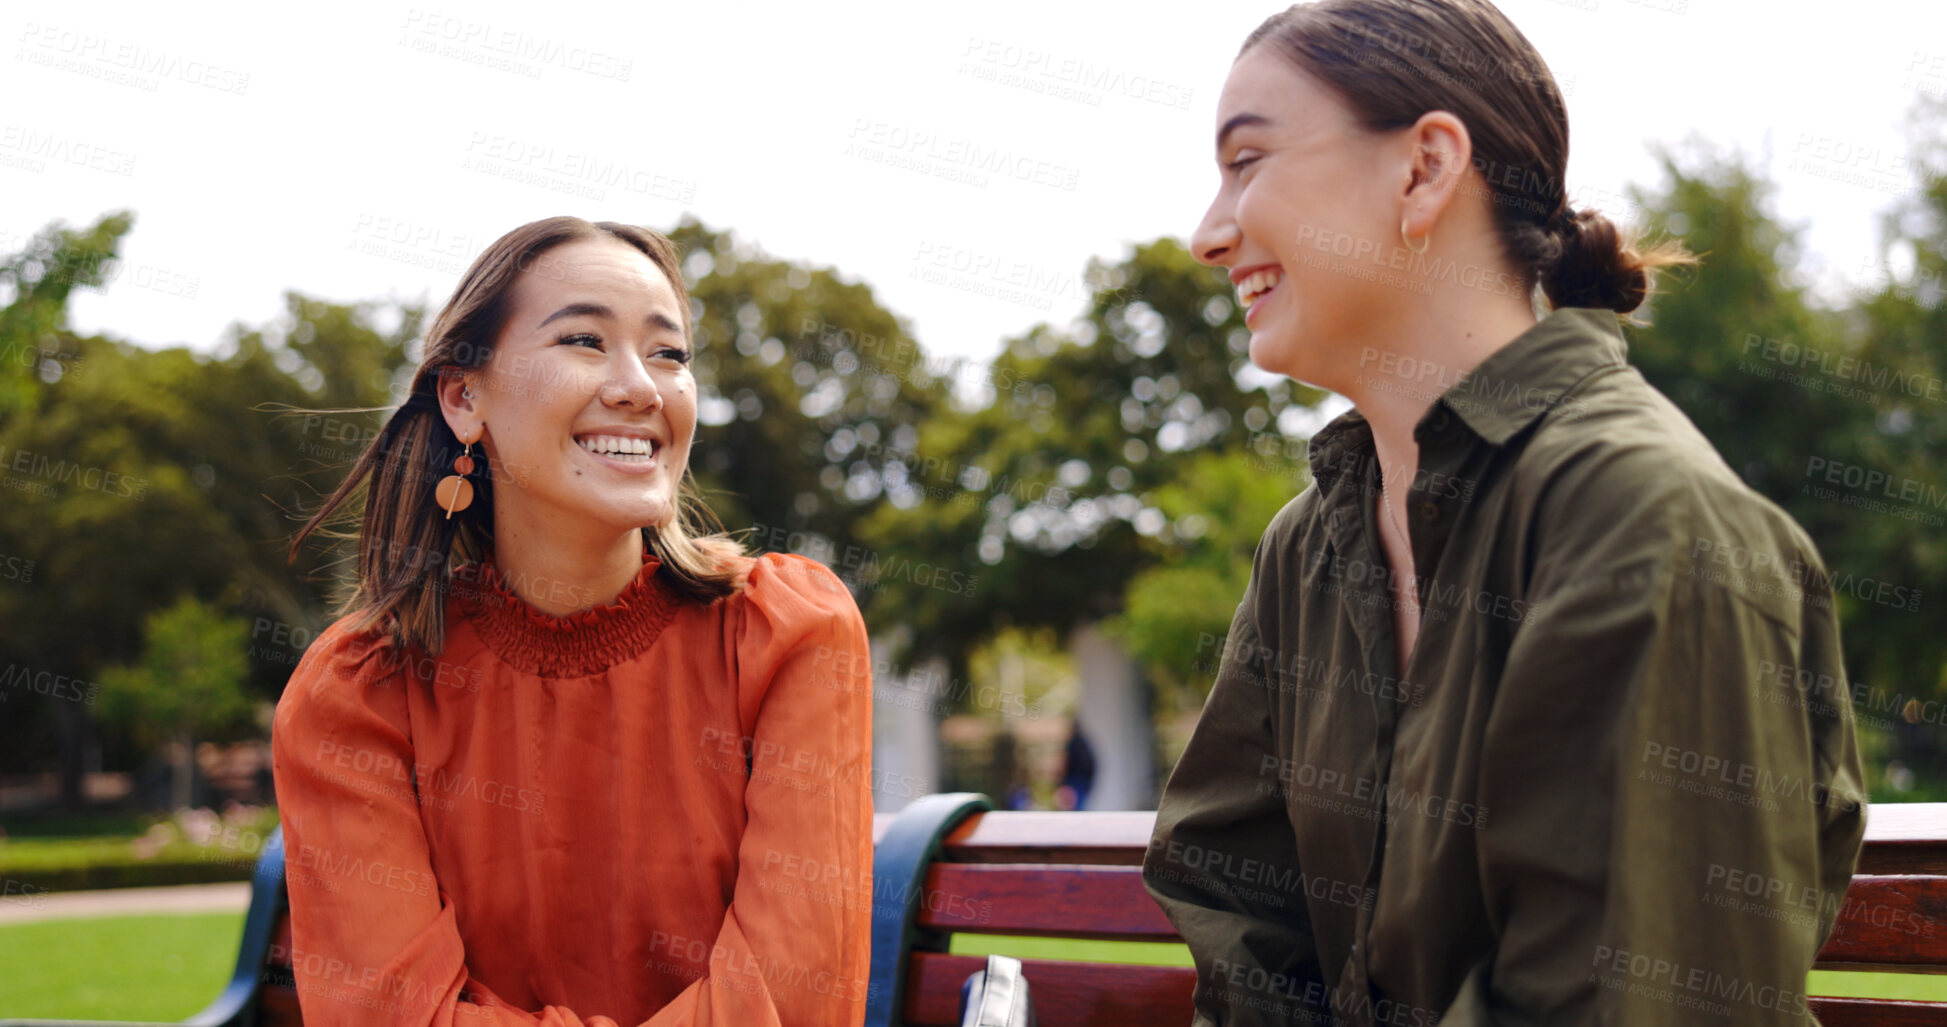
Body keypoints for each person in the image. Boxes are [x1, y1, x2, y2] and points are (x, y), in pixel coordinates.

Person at [1140, 3, 1866, 1024]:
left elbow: (1621, 999)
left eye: (1247, 161)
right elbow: (1233, 900)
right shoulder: (1309, 547)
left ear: (1427, 167)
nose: (1209, 234)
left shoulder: (1644, 524)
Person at [272, 217, 874, 1026]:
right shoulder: (357, 691)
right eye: (586, 340)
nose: (641, 386)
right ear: (463, 396)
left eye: (669, 353)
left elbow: (792, 999)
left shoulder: (790, 632)